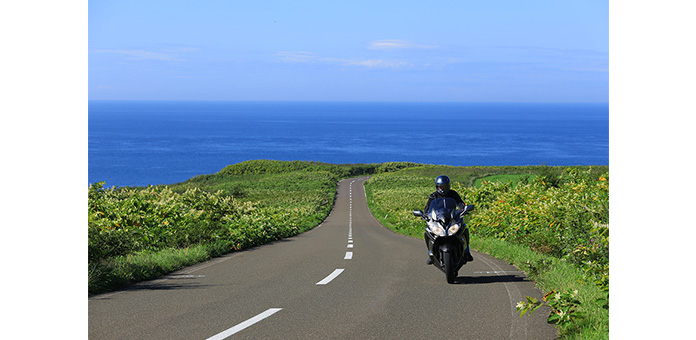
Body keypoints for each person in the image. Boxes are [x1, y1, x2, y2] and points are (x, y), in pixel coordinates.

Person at [424, 175, 474, 264]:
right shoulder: (434, 196)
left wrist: (463, 209)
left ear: (448, 186)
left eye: (445, 187)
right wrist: (425, 215)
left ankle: (467, 251)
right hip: (438, 219)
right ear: (437, 187)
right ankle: (431, 253)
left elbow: (460, 203)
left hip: (452, 218)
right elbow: (427, 208)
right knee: (427, 232)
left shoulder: (453, 194)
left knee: (464, 229)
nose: (443, 189)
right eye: (440, 187)